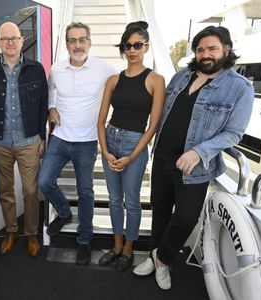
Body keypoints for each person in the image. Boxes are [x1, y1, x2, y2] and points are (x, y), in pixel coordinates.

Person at [133, 26, 254, 290]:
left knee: (186, 218)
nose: (206, 54)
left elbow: (234, 133)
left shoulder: (239, 88)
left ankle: (163, 259)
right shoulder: (180, 76)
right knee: (160, 210)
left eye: (212, 48)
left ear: (226, 50)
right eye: (200, 49)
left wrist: (200, 152)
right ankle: (155, 255)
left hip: (195, 168)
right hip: (163, 158)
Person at [38, 22, 118, 265]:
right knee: (44, 181)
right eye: (72, 40)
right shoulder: (57, 68)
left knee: (85, 191)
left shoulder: (105, 69)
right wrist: (51, 107)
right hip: (60, 137)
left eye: (82, 40)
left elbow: (123, 91)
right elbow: (52, 91)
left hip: (87, 141)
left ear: (89, 42)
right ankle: (63, 212)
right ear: (67, 44)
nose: (77, 45)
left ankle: (84, 240)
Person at [97, 21, 165, 271]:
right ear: (123, 49)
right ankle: (116, 246)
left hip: (135, 144)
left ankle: (128, 248)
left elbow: (153, 125)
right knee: (114, 200)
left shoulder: (156, 79)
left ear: (146, 47)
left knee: (132, 201)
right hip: (110, 141)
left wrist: (133, 156)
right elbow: (101, 119)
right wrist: (104, 151)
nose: (132, 50)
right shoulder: (114, 80)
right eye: (128, 45)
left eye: (137, 45)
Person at [0, 22, 48, 257]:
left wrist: (42, 138)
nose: (10, 42)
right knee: (5, 190)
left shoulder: (36, 69)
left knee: (30, 191)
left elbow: (42, 106)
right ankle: (11, 231)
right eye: (5, 38)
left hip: (28, 140)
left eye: (14, 38)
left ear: (21, 41)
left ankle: (31, 234)